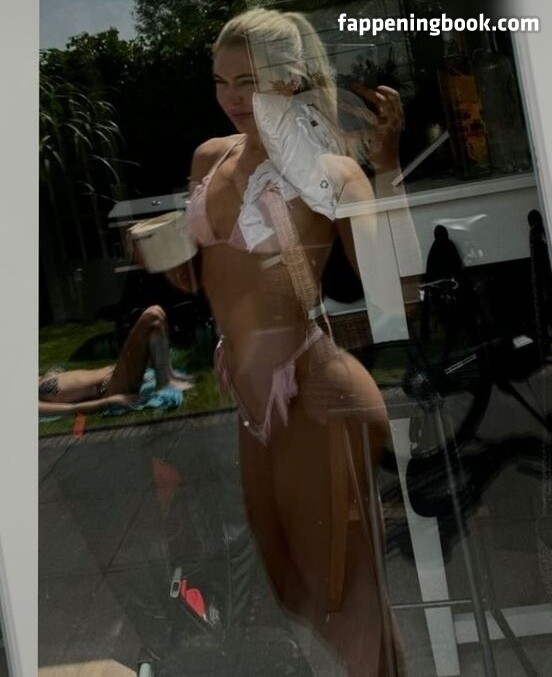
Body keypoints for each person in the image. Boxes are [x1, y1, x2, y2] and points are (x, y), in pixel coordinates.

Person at [158, 8, 407, 675]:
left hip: (314, 392)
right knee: (293, 593)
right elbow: (212, 270)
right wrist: (174, 260)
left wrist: (386, 166)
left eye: (248, 81)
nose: (231, 97)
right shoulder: (209, 158)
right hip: (250, 402)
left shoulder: (332, 171)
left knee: (347, 604)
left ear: (291, 79)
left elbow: (395, 292)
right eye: (221, 82)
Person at [39, 305, 193, 417]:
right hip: (110, 387)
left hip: (113, 373)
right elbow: (70, 409)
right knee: (152, 315)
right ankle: (165, 379)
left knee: (157, 316)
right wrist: (109, 402)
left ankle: (167, 375)